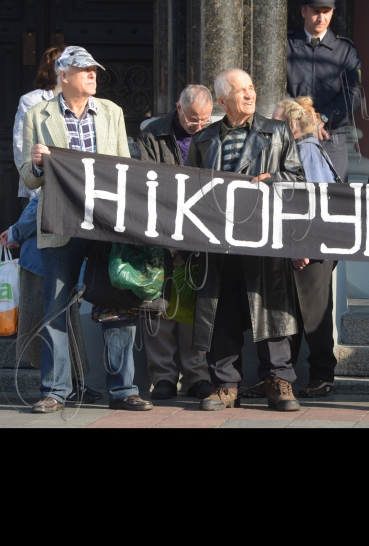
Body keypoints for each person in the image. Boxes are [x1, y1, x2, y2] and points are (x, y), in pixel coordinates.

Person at [21, 46, 151, 414]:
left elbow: (125, 168)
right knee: (55, 308)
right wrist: (35, 164)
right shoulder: (37, 114)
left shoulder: (112, 112)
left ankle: (123, 389)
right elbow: (29, 180)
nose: (93, 75)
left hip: (106, 225)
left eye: (95, 70)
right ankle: (54, 391)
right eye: (84, 70)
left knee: (117, 306)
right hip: (60, 224)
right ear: (64, 75)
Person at [187, 69, 305, 413]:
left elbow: (299, 180)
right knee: (221, 314)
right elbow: (188, 187)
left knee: (271, 311)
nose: (250, 95)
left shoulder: (278, 131)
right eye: (240, 91)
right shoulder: (204, 139)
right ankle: (225, 385)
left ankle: (279, 382)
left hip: (264, 241)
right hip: (218, 243)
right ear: (222, 101)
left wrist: (276, 178)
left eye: (251, 88)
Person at [137, 85, 215, 401]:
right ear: (178, 109)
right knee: (158, 306)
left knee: (193, 306)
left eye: (205, 120)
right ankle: (164, 378)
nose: (199, 126)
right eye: (194, 119)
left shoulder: (215, 133)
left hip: (200, 229)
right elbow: (143, 181)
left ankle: (196, 376)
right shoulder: (152, 134)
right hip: (161, 227)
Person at [0, 198, 102, 405]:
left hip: (43, 256)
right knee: (61, 321)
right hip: (60, 254)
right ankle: (67, 384)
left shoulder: (53, 167)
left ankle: (63, 386)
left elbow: (40, 204)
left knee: (52, 321)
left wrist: (16, 232)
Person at [274, 97, 339, 398]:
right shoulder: (295, 150)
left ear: (290, 125)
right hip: (300, 247)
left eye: (275, 122)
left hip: (312, 248)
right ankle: (283, 376)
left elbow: (314, 202)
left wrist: (304, 246)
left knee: (315, 315)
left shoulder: (308, 151)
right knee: (296, 316)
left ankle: (323, 375)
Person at [287, 0, 362, 183]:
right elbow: (277, 89)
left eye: (326, 12)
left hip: (331, 137)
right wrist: (305, 120)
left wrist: (323, 118)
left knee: (335, 199)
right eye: (316, 12)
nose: (321, 18)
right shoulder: (285, 45)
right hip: (292, 134)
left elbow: (352, 95)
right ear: (304, 11)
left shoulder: (345, 50)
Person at [13, 46, 64, 210]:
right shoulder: (32, 101)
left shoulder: (81, 101)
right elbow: (20, 146)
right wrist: (36, 190)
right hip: (36, 193)